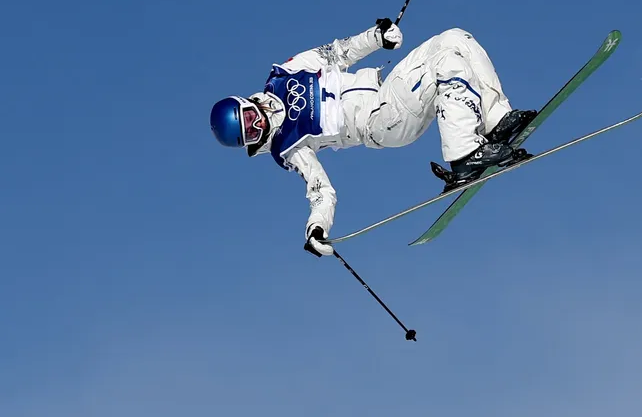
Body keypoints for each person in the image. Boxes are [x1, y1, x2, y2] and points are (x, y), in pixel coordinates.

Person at [209, 19, 537, 257]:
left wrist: (376, 37)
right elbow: (320, 190)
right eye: (249, 133)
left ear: (246, 103)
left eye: (249, 118)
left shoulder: (283, 75)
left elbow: (335, 54)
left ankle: (494, 121)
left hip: (386, 84)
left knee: (454, 38)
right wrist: (316, 228)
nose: (257, 126)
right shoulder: (288, 146)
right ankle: (464, 153)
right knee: (445, 64)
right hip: (381, 121)